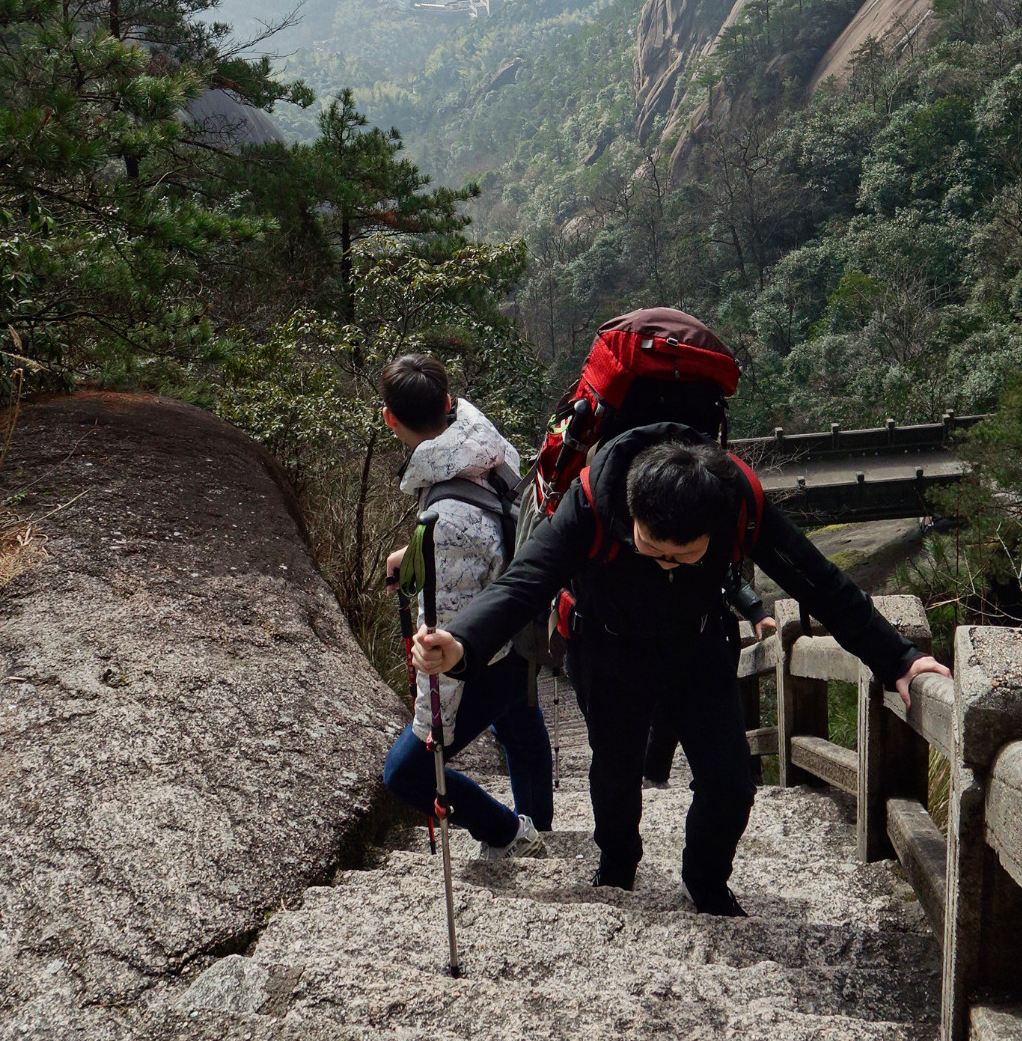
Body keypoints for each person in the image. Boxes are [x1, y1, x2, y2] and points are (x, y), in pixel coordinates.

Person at [413, 424, 951, 914]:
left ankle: (707, 883)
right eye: (652, 548)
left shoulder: (735, 501)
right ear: (631, 513)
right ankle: (617, 867)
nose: (666, 562)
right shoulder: (593, 500)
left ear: (714, 531)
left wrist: (898, 658)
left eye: (684, 554)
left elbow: (817, 580)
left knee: (730, 781)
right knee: (615, 770)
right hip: (609, 653)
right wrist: (461, 643)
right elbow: (525, 579)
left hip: (696, 650)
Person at [380, 352, 552, 859]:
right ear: (449, 403)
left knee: (406, 772)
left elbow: (443, 648)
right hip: (520, 628)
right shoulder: (491, 451)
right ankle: (537, 827)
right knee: (519, 720)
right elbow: (491, 532)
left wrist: (433, 728)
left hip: (484, 653)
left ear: (391, 418)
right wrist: (415, 555)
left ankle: (506, 832)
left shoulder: (442, 520)